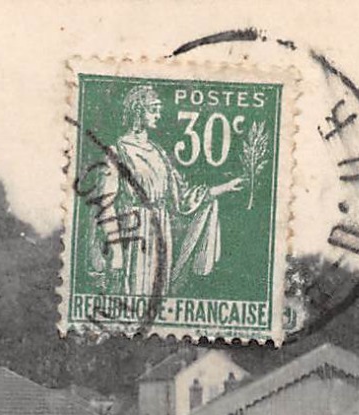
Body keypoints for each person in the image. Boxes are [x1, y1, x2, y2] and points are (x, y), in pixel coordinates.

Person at [88, 83, 245, 299]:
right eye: (153, 108)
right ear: (137, 111)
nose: (159, 114)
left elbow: (182, 197)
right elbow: (104, 207)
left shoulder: (159, 153)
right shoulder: (117, 152)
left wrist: (224, 187)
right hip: (133, 235)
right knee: (133, 296)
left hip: (161, 234)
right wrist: (115, 253)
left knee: (157, 297)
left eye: (159, 108)